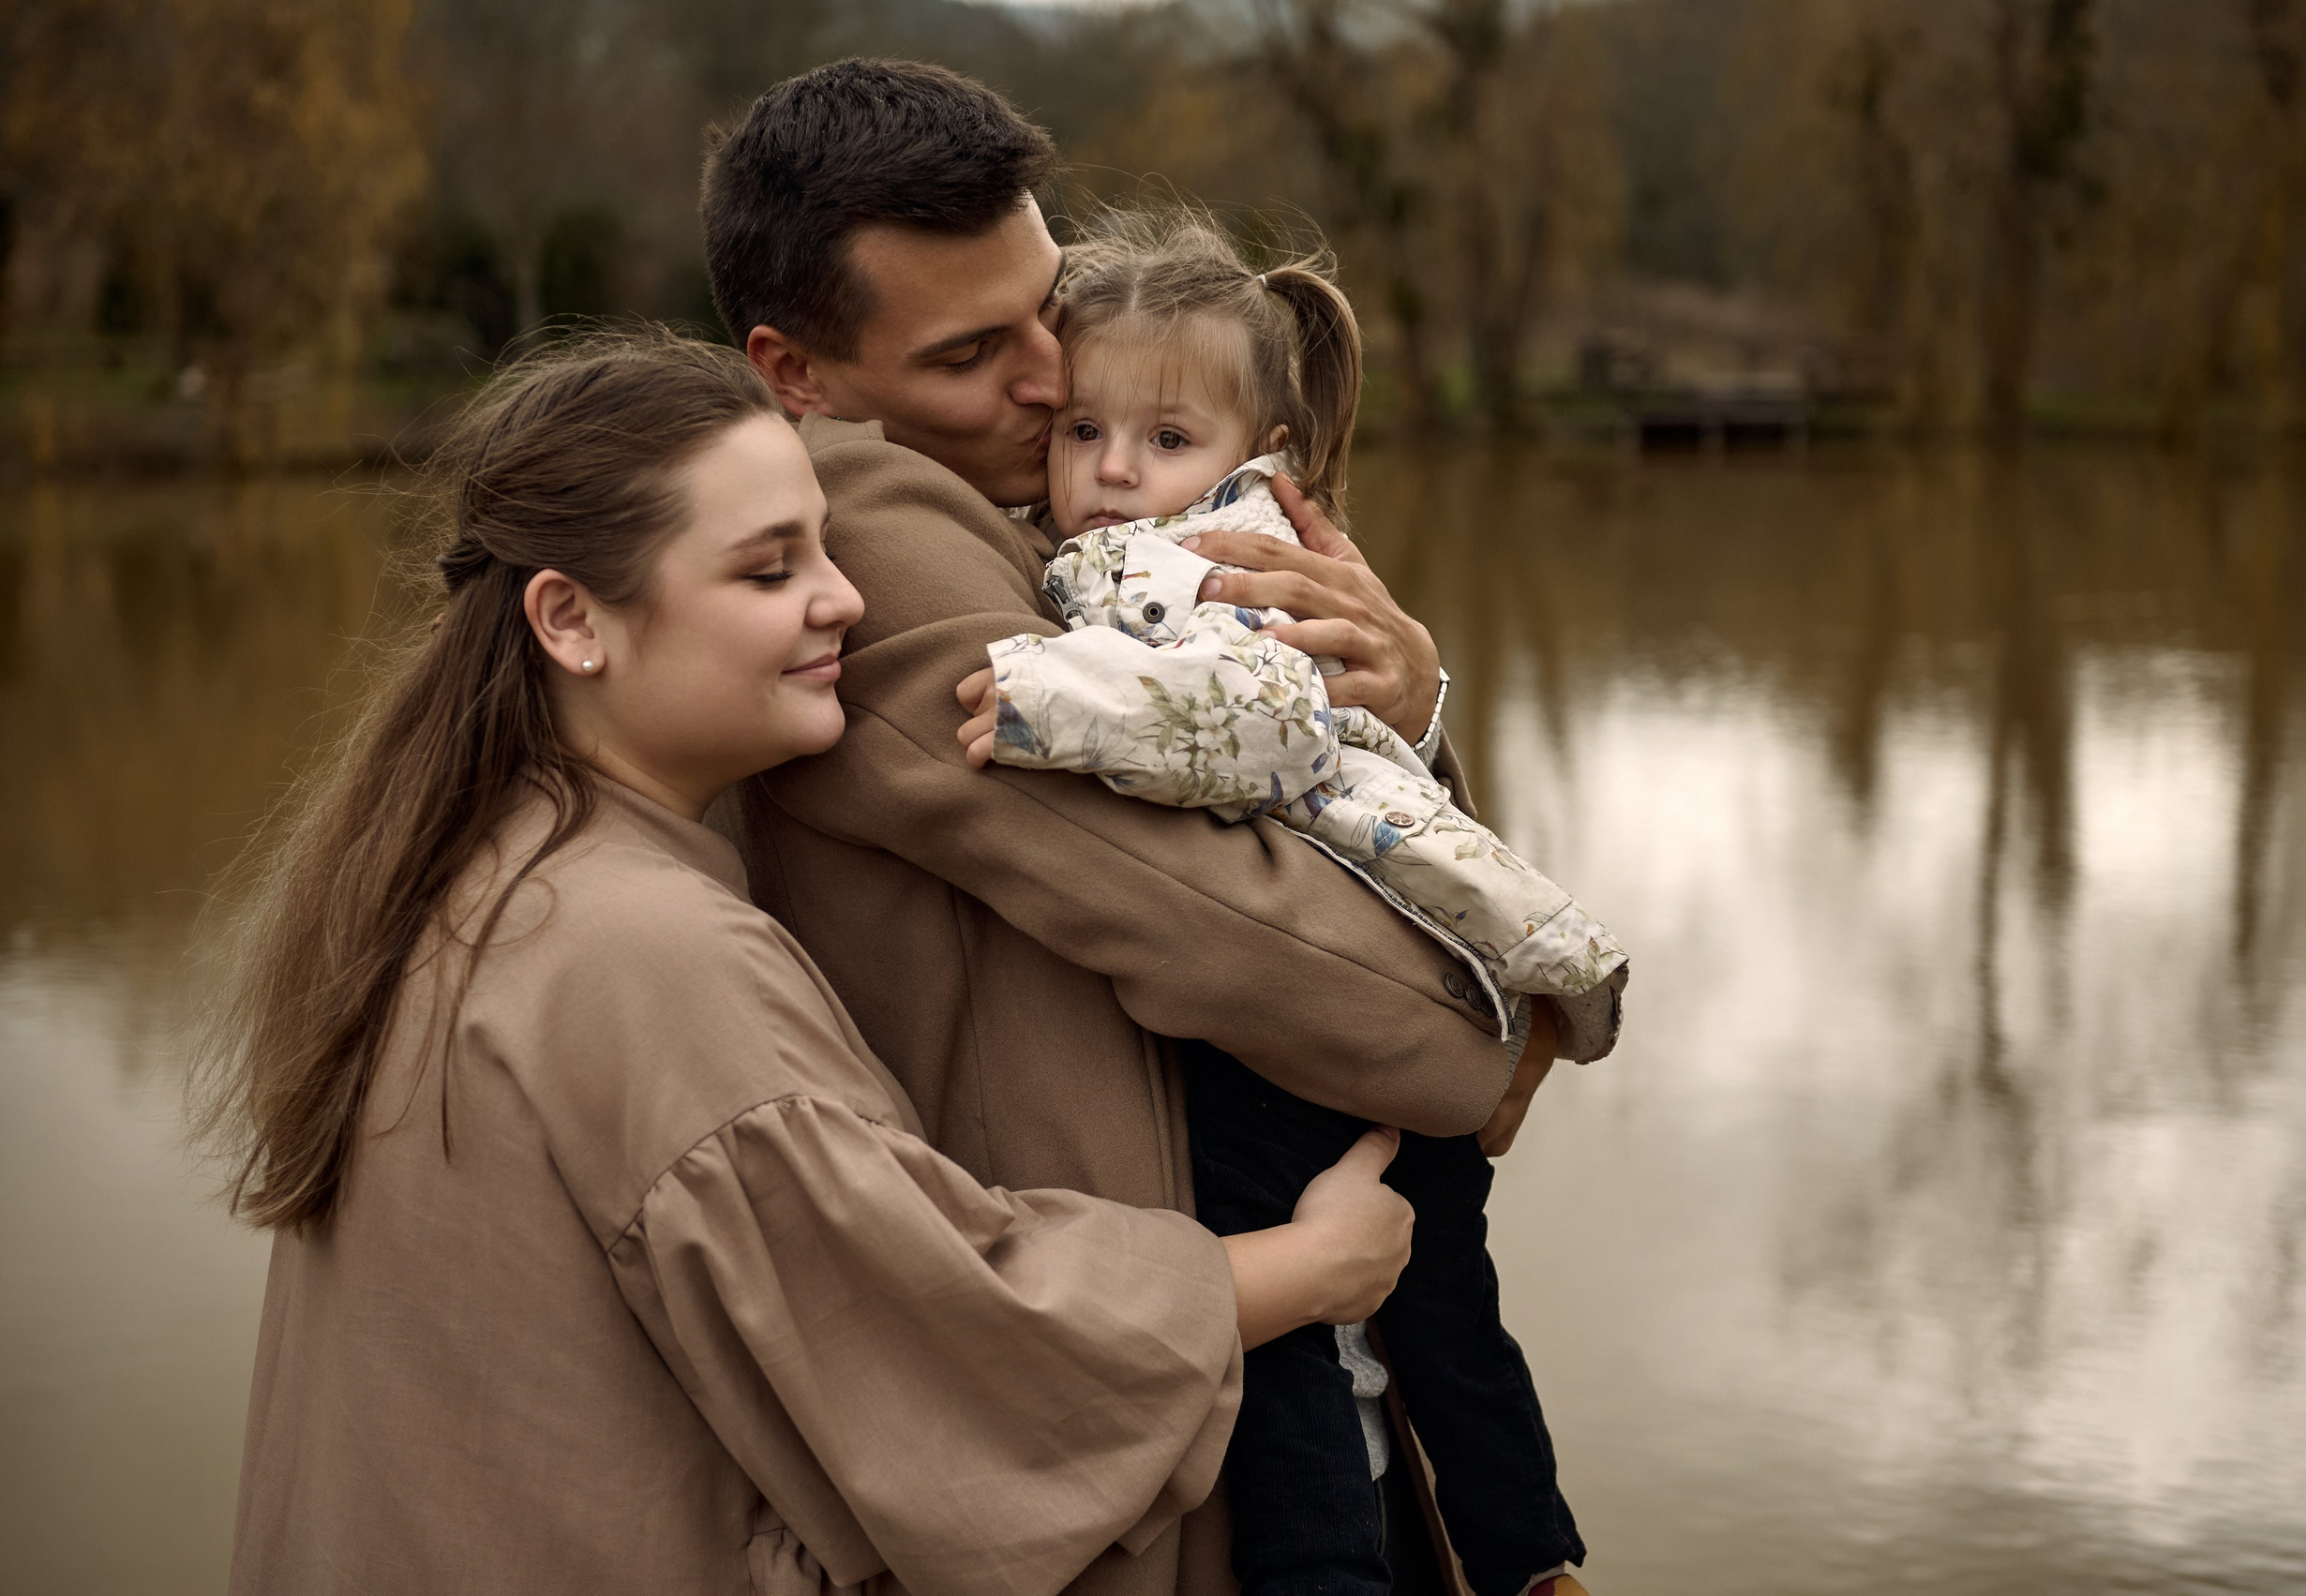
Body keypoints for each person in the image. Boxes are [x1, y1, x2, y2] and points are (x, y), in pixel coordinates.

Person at [195, 332, 1418, 1596]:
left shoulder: (469, 868)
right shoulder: (641, 952)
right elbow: (952, 1342)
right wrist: (1309, 1266)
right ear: (571, 620)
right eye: (771, 568)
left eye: (827, 550)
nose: (843, 597)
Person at [701, 60, 1553, 1592]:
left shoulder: (1079, 522)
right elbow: (1200, 899)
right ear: (796, 374)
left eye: (1048, 303)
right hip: (1143, 1415)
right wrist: (1485, 1034)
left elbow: (1323, 790)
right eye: (977, 351)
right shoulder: (870, 530)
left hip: (1235, 1336)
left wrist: (1407, 694)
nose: (1050, 377)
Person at [956, 209, 1611, 1596]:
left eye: (1165, 440)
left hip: (1296, 1024)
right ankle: (1534, 1559)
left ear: (1256, 459)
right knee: (1446, 1308)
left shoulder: (1185, 567)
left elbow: (1253, 724)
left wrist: (1035, 697)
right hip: (1384, 976)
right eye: (1084, 433)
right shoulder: (1202, 541)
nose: (1114, 469)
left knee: (1298, 1341)